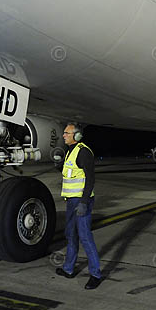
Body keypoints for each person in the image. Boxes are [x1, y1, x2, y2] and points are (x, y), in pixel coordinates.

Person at [55, 122, 102, 289]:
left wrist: (83, 202)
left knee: (85, 237)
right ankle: (69, 269)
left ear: (77, 136)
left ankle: (96, 274)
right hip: (71, 201)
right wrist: (59, 165)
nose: (63, 136)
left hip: (82, 201)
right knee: (71, 234)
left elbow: (90, 179)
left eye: (67, 133)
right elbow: (71, 174)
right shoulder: (71, 152)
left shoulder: (84, 152)